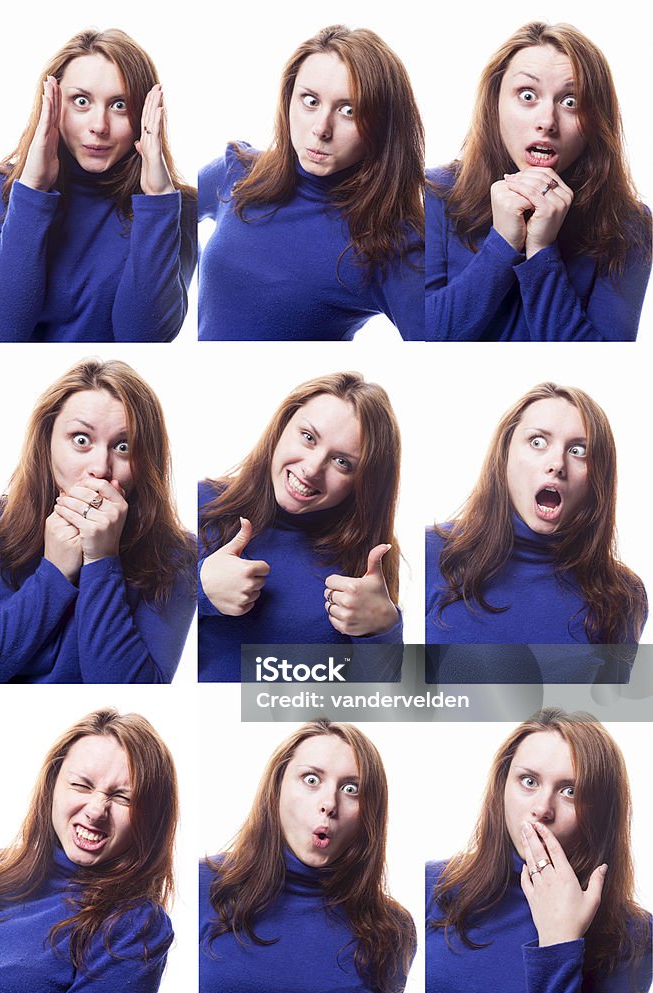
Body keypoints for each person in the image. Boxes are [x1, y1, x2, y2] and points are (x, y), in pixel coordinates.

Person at [0, 358, 196, 683]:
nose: (100, 468)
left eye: (123, 446)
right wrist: (54, 573)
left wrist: (102, 560)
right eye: (81, 440)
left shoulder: (177, 557)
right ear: (47, 441)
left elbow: (132, 692)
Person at [425, 22, 651, 341]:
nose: (546, 122)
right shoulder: (434, 194)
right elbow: (426, 337)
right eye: (527, 95)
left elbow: (601, 359)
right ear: (495, 103)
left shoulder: (630, 227)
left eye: (571, 102)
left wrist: (542, 251)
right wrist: (502, 243)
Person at [198, 24, 424, 340]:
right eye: (310, 101)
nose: (321, 128)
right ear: (289, 99)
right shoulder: (236, 171)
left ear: (383, 125)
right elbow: (155, 217)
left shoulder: (389, 242)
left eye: (349, 110)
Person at [426, 708, 652, 993]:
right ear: (502, 787)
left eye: (570, 791)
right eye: (529, 781)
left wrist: (559, 940)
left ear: (601, 810)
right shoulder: (433, 883)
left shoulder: (634, 935)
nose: (542, 809)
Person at [0, 28, 197, 342]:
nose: (98, 126)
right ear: (52, 105)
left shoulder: (175, 207)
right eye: (81, 101)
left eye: (120, 105)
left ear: (146, 115)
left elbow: (144, 339)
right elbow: (1, 331)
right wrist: (33, 189)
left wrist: (157, 200)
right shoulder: (2, 188)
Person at [425, 382, 647, 683]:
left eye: (578, 451)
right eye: (538, 442)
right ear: (504, 456)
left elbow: (606, 713)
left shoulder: (621, 595)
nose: (557, 464)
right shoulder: (430, 552)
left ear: (598, 476)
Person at [200, 718, 416, 993]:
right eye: (311, 779)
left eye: (351, 789)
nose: (329, 803)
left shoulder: (389, 928)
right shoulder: (203, 885)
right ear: (276, 788)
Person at [0, 708, 177, 993]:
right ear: (53, 784)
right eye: (82, 785)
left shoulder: (133, 926)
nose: (96, 810)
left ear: (150, 817)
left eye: (123, 798)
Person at [199, 371, 403, 681]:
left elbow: (379, 698)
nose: (311, 469)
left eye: (342, 462)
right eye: (308, 438)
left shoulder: (366, 558)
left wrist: (384, 631)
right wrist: (197, 586)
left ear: (364, 483)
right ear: (282, 426)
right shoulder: (203, 505)